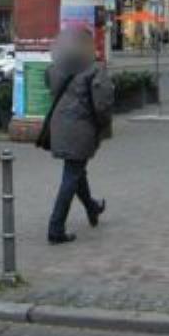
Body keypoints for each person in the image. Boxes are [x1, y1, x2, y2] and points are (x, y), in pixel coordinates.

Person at [42, 26, 112, 244]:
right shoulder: (94, 69)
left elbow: (49, 85)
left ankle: (92, 207)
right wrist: (103, 125)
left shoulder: (56, 68)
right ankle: (55, 228)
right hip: (81, 128)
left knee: (76, 170)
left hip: (59, 126)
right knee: (71, 175)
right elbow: (102, 104)